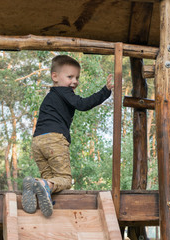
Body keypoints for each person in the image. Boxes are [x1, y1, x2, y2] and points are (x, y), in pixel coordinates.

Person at [22, 55, 113, 217]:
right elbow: (83, 104)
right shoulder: (63, 92)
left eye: (77, 77)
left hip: (37, 142)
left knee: (52, 180)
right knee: (64, 180)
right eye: (70, 77)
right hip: (54, 140)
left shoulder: (50, 96)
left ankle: (43, 191)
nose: (75, 81)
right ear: (55, 77)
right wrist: (105, 91)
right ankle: (41, 184)